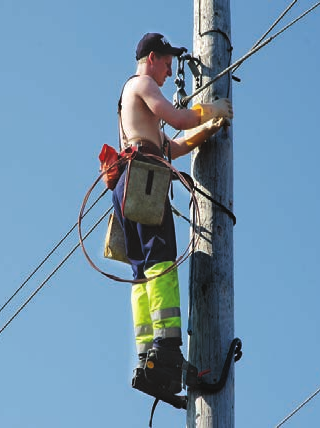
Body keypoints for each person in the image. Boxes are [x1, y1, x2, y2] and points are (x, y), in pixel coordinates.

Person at [111, 33, 233, 397]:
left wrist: (207, 130)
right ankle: (166, 347)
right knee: (161, 262)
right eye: (166, 63)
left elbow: (173, 145)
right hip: (144, 179)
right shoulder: (142, 83)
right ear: (152, 57)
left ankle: (148, 353)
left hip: (128, 184)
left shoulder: (131, 109)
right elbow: (178, 119)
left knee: (142, 271)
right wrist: (212, 109)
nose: (168, 72)